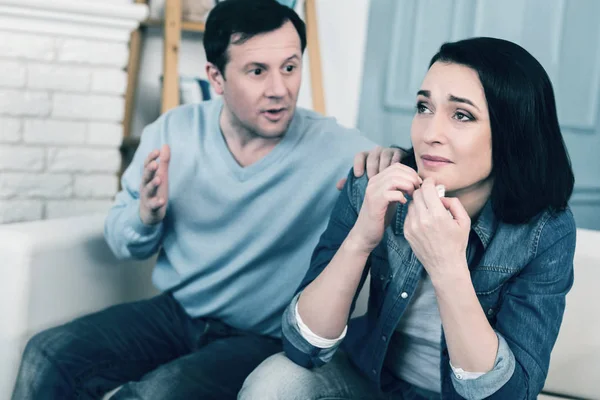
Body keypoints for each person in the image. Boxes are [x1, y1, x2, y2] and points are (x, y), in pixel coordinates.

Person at [10, 1, 405, 399]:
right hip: (177, 314)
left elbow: (409, 167)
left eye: (290, 66)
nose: (280, 89)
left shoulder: (337, 149)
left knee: (156, 394)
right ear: (216, 77)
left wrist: (392, 158)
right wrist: (145, 215)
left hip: (260, 338)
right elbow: (120, 240)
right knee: (49, 354)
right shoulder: (173, 132)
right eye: (257, 71)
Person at [239, 37, 576, 400]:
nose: (429, 134)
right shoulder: (376, 183)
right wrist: (362, 237)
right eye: (424, 107)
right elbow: (301, 347)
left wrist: (447, 267)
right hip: (370, 382)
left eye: (461, 115)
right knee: (275, 382)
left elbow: (507, 396)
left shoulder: (546, 231)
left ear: (514, 133)